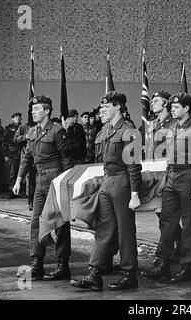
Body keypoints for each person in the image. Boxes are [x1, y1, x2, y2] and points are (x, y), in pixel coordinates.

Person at [70, 91, 142, 291]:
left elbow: (134, 164)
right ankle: (95, 273)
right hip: (107, 181)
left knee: (125, 230)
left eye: (106, 106)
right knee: (104, 229)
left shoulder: (129, 130)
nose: (102, 110)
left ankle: (129, 273)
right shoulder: (105, 130)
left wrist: (135, 193)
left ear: (118, 106)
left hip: (122, 183)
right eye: (101, 107)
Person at [144, 92, 191, 283]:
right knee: (167, 221)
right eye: (171, 106)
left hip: (188, 177)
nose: (172, 109)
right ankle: (162, 264)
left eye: (176, 106)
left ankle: (186, 267)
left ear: (187, 108)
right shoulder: (174, 127)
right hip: (172, 177)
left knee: (189, 223)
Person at [13, 95, 73, 280]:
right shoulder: (32, 132)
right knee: (36, 222)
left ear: (47, 111)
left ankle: (63, 265)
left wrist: (65, 183)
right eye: (32, 109)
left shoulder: (57, 131)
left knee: (60, 223)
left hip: (57, 180)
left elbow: (66, 159)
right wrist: (19, 179)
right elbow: (27, 158)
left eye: (37, 108)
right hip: (40, 181)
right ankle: (37, 263)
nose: (33, 111)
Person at [145, 91, 182, 266]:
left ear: (166, 104)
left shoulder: (174, 124)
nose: (152, 103)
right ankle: (178, 243)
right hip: (155, 173)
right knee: (162, 214)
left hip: (168, 173)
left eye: (156, 101)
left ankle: (168, 250)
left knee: (167, 215)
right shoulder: (152, 123)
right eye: (152, 100)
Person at [15, 119, 37, 210]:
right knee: (29, 181)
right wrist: (26, 136)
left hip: (38, 159)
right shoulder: (23, 127)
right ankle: (30, 201)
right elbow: (16, 138)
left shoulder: (42, 126)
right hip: (27, 156)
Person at [3, 112, 22, 199]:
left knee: (20, 173)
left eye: (19, 117)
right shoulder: (8, 128)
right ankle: (11, 191)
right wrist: (5, 154)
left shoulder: (23, 127)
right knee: (12, 173)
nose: (18, 118)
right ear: (12, 119)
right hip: (12, 153)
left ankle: (19, 191)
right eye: (16, 117)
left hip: (21, 153)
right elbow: (4, 142)